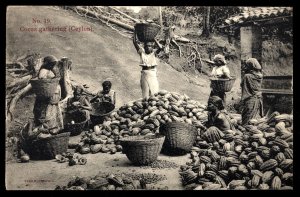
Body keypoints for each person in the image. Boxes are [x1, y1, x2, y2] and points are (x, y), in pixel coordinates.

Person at [33, 55, 63, 134]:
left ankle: (53, 128)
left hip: (52, 92)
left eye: (53, 64)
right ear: (47, 63)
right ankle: (48, 129)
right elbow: (43, 81)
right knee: (47, 111)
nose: (52, 66)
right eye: (51, 64)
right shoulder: (43, 70)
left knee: (53, 110)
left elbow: (56, 76)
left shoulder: (50, 69)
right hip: (47, 93)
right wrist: (52, 79)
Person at [133, 30, 163, 100]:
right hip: (144, 74)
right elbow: (134, 42)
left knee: (155, 92)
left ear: (152, 47)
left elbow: (161, 47)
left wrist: (154, 39)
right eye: (146, 46)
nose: (148, 47)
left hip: (152, 73)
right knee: (145, 94)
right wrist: (135, 31)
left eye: (150, 46)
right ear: (144, 47)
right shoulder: (142, 52)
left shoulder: (154, 53)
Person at [240, 58, 263, 125]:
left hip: (249, 99)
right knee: (254, 118)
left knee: (246, 119)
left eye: (246, 65)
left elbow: (242, 85)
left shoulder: (247, 76)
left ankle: (245, 130)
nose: (245, 67)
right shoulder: (260, 75)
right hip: (258, 98)